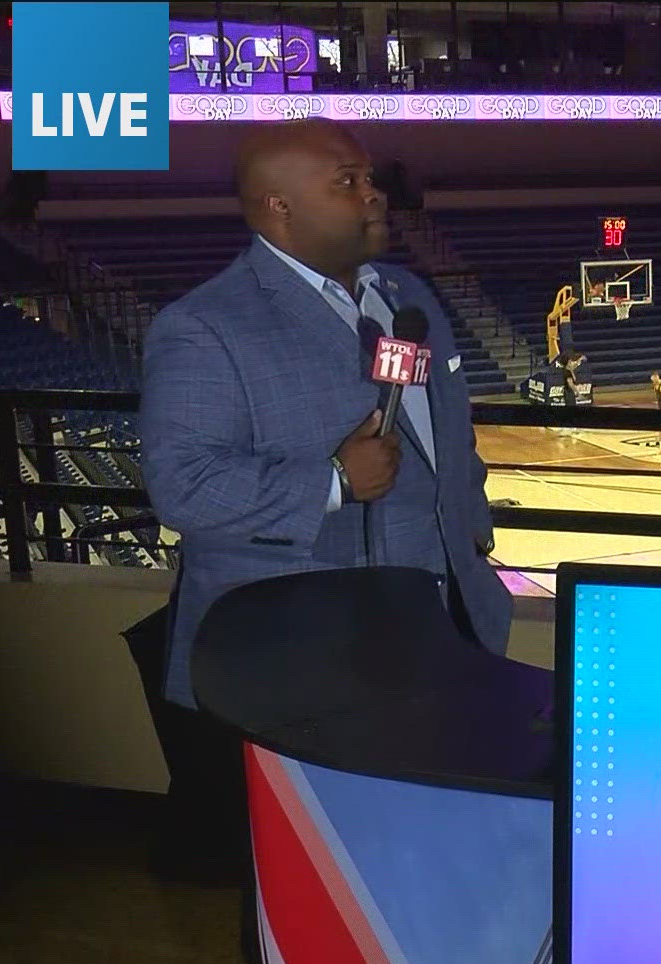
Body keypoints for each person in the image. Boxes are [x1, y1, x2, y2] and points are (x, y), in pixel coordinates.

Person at [140, 118, 515, 713]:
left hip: (449, 623)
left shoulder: (408, 296)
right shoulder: (205, 326)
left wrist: (469, 529)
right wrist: (333, 483)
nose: (373, 192)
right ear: (279, 206)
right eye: (346, 181)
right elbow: (183, 486)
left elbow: (448, 432)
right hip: (307, 656)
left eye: (369, 176)